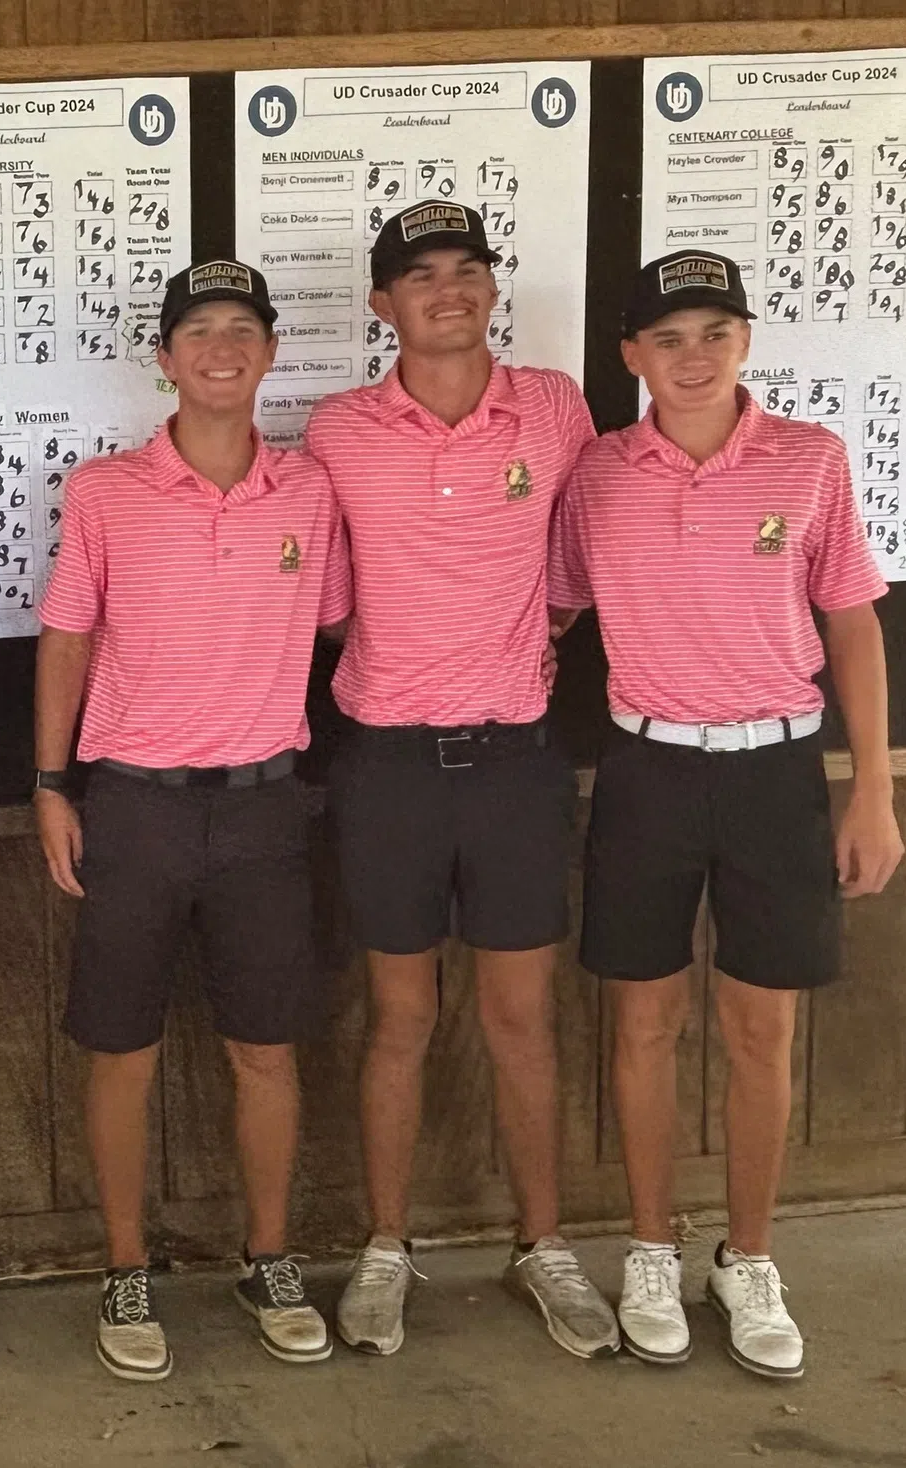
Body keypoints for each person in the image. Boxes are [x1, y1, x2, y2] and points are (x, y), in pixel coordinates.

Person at [549, 251, 901, 1378]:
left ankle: (745, 1256)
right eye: (666, 338)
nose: (689, 357)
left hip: (774, 775)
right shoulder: (595, 473)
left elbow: (850, 625)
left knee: (761, 1031)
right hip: (645, 770)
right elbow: (544, 604)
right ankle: (650, 1246)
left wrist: (874, 792)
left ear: (745, 340)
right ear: (628, 357)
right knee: (641, 1024)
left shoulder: (807, 462)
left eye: (712, 332)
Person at [308, 202, 618, 1359]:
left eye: (465, 270)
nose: (446, 290)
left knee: (519, 1019)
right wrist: (411, 657)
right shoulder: (337, 428)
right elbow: (327, 602)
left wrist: (515, 640)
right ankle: (385, 1251)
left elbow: (575, 562)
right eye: (418, 276)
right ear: (381, 306)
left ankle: (541, 1248)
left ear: (492, 288)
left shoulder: (551, 406)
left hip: (513, 762)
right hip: (386, 762)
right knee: (397, 1018)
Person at [35, 262, 349, 1374]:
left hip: (263, 807)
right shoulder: (104, 491)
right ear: (162, 359)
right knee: (118, 1050)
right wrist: (47, 784)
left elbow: (336, 625)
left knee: (263, 1051)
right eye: (197, 330)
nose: (221, 346)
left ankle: (266, 1256)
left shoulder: (310, 492)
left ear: (267, 353)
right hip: (133, 806)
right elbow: (66, 638)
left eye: (241, 328)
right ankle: (124, 1271)